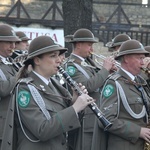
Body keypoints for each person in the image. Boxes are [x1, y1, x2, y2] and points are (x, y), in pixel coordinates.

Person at [1, 35, 95, 150]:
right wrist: (74, 108)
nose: (59, 60)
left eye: (58, 55)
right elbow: (42, 130)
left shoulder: (55, 85)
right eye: (53, 56)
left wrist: (74, 102)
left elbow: (66, 125)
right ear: (37, 60)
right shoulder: (25, 89)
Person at [92, 39, 150, 150]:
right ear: (127, 58)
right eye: (140, 58)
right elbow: (105, 119)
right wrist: (138, 131)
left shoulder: (139, 82)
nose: (143, 63)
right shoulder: (114, 84)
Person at [64, 28, 115, 150]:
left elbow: (99, 83)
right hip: (85, 117)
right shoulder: (71, 66)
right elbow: (88, 86)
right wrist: (105, 70)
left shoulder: (87, 63)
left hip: (95, 115)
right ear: (78, 45)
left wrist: (109, 73)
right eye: (89, 45)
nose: (92, 49)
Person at [0, 23, 20, 150]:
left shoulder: (10, 62)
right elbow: (2, 89)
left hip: (13, 122)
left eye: (14, 43)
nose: (13, 47)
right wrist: (21, 74)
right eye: (9, 42)